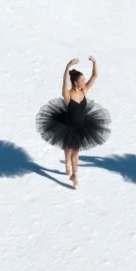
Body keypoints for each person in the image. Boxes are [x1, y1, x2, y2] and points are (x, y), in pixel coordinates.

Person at [36, 56, 111, 189]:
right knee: (68, 149)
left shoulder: (84, 91)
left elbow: (95, 75)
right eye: (82, 80)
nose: (84, 81)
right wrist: (67, 67)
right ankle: (67, 164)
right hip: (67, 126)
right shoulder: (68, 95)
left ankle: (75, 176)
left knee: (75, 152)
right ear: (76, 82)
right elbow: (64, 83)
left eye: (84, 79)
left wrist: (94, 62)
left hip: (81, 126)